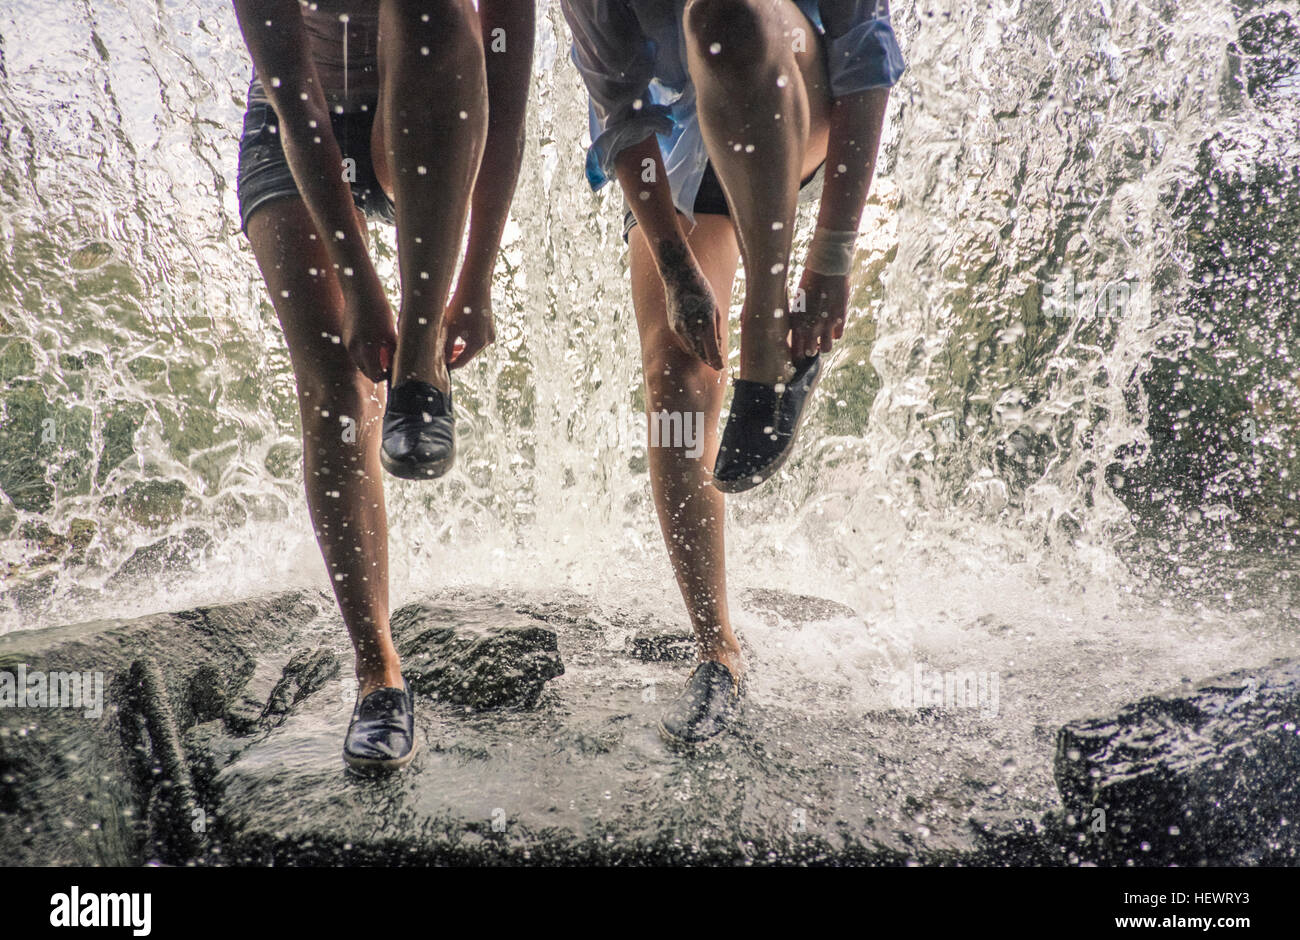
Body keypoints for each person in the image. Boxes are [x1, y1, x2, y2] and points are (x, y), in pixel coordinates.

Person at [559, 0, 904, 743]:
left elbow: (865, 57)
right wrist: (678, 268)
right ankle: (716, 649)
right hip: (686, 161)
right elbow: (621, 112)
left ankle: (767, 334)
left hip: (793, 98)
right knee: (674, 381)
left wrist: (832, 260)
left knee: (721, 18)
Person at [232, 0, 533, 772]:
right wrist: (360, 283)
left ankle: (422, 359)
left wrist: (477, 278)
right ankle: (378, 676)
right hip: (293, 132)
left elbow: (504, 89)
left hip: (438, 111)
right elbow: (290, 87)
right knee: (336, 396)